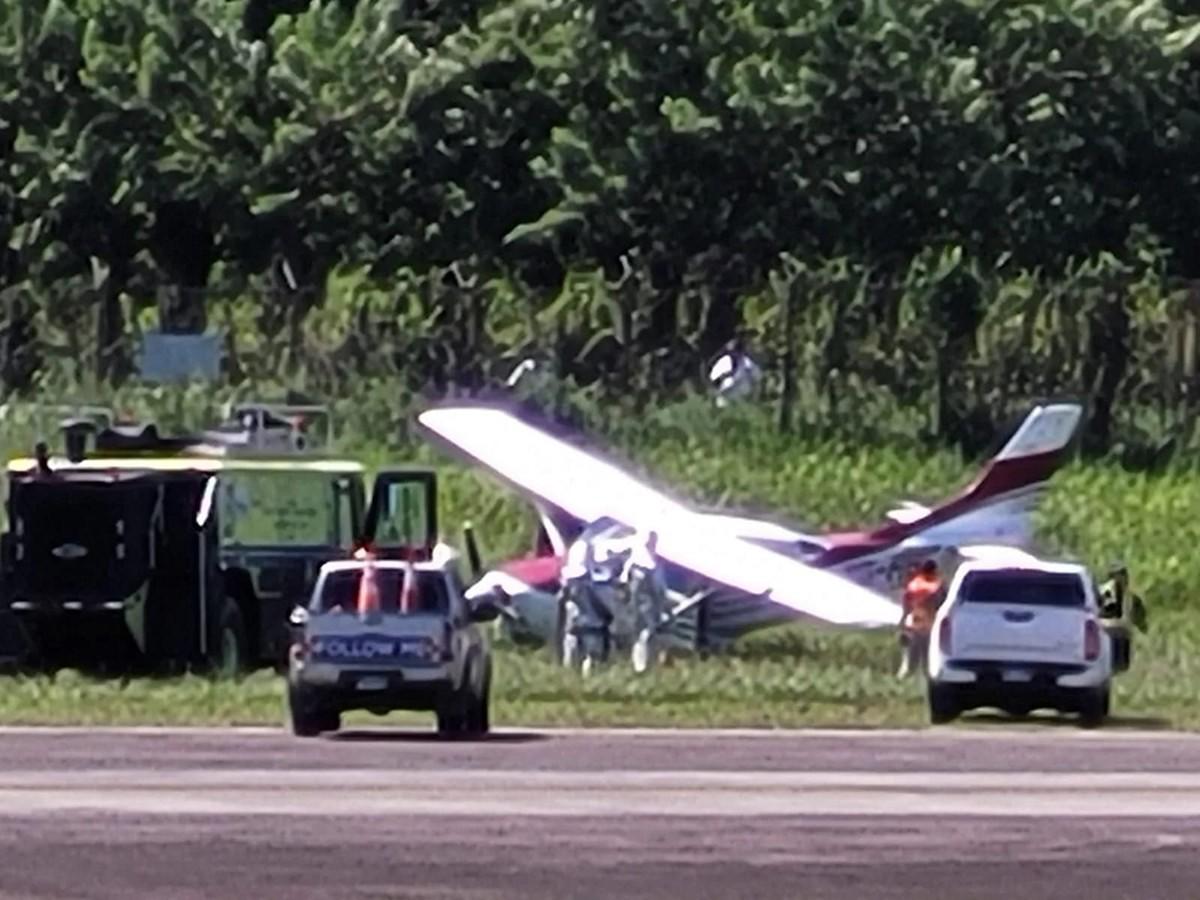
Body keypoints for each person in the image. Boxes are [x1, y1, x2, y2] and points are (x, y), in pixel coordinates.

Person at [622, 530, 667, 673]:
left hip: (651, 607)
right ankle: (639, 666)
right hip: (641, 607)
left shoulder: (654, 564)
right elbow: (632, 590)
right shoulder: (638, 564)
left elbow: (660, 589)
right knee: (642, 636)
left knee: (649, 636)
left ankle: (647, 665)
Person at [897, 559, 943, 678]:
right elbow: (940, 604)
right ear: (934, 571)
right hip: (930, 625)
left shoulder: (914, 585)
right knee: (928, 657)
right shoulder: (937, 586)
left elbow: (906, 605)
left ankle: (905, 677)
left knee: (911, 658)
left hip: (915, 623)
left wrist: (902, 623)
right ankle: (928, 677)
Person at [1099, 562, 1147, 671]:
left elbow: (1141, 623)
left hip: (1124, 641)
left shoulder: (1133, 599)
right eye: (1117, 575)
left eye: (1123, 575)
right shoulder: (1102, 594)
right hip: (1105, 639)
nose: (1121, 579)